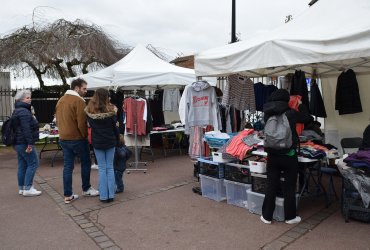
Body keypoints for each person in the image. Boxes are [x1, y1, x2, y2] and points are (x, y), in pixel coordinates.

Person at [261, 89, 311, 224]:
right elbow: (307, 118)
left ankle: (266, 216)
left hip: (272, 155)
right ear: (287, 100)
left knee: (271, 185)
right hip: (289, 155)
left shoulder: (267, 114)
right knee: (289, 186)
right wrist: (300, 104)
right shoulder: (291, 113)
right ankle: (290, 217)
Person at [55, 78, 99, 204]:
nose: (86, 91)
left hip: (63, 138)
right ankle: (86, 188)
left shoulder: (61, 100)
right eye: (84, 88)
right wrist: (85, 136)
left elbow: (57, 120)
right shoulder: (79, 101)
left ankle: (68, 195)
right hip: (77, 138)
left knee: (68, 166)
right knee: (86, 163)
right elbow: (82, 123)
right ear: (77, 88)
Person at [85, 88, 119, 203]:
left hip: (97, 142)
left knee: (102, 168)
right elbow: (115, 128)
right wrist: (118, 140)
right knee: (110, 168)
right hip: (110, 141)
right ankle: (111, 195)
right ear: (106, 97)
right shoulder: (112, 111)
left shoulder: (90, 111)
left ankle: (103, 196)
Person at [12, 90, 42, 196]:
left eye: (30, 97)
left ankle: (22, 188)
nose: (30, 99)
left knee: (22, 164)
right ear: (21, 100)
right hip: (24, 142)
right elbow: (26, 129)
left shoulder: (17, 110)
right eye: (27, 98)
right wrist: (30, 144)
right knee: (33, 163)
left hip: (18, 142)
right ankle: (28, 188)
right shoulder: (24, 111)